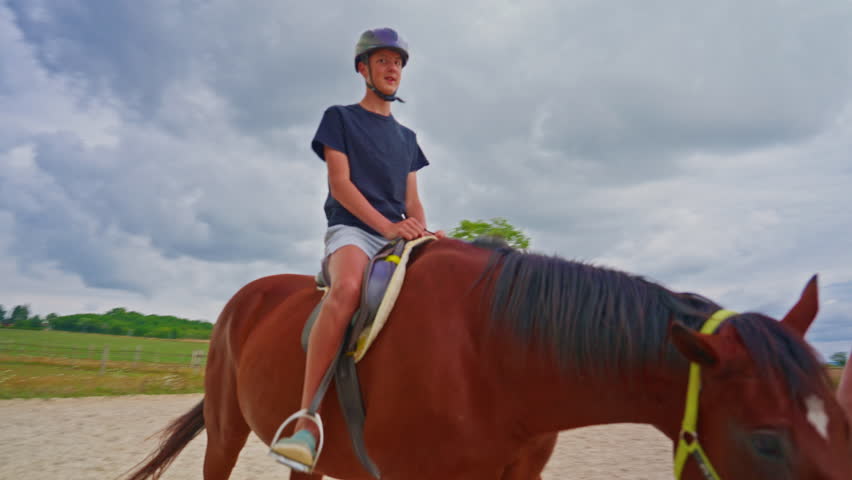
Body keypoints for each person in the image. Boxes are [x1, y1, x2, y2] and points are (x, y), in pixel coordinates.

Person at [270, 27, 443, 469]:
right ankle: (305, 422)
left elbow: (413, 199)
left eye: (398, 63)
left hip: (399, 231)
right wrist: (388, 226)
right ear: (363, 68)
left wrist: (421, 229)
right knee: (347, 289)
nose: (393, 69)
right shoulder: (340, 118)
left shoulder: (407, 139)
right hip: (353, 230)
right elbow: (340, 186)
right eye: (384, 60)